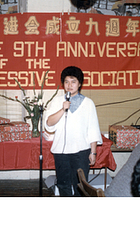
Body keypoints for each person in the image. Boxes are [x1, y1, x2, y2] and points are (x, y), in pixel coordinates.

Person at [45, 66, 102, 196]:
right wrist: (62, 109)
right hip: (61, 152)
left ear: (80, 83)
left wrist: (93, 152)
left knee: (80, 187)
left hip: (81, 152)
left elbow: (93, 128)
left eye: (73, 81)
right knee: (63, 185)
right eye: (66, 82)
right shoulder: (57, 101)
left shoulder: (88, 103)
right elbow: (49, 124)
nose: (70, 85)